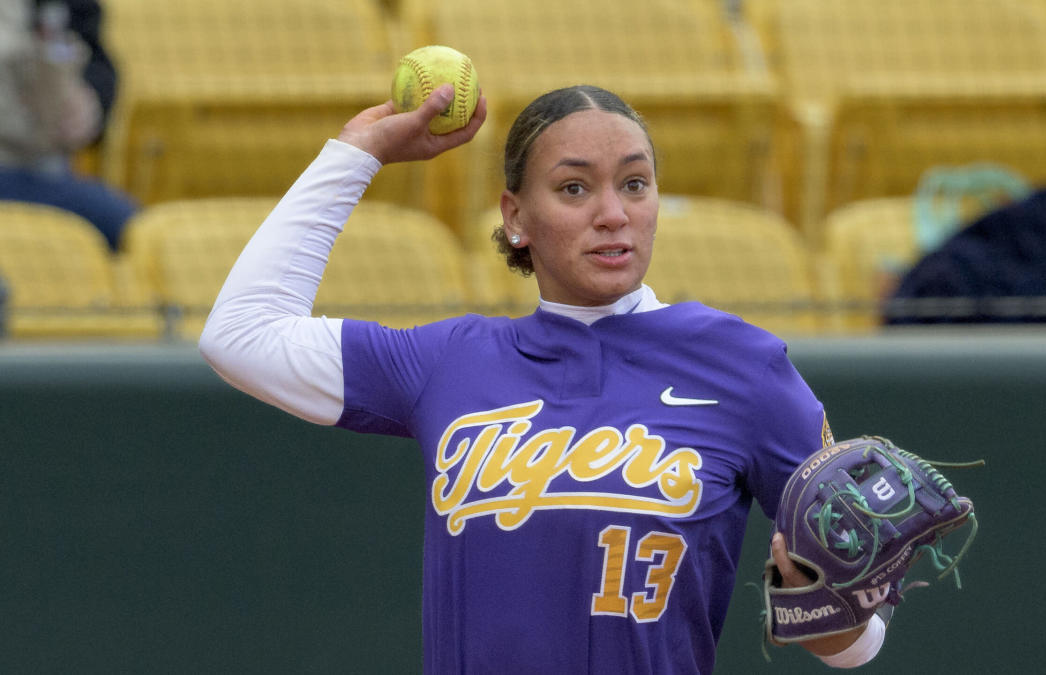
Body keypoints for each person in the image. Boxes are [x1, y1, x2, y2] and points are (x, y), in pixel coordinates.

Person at [199, 83, 886, 673]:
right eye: (574, 187)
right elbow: (240, 335)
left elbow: (856, 639)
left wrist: (830, 615)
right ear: (516, 217)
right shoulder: (450, 360)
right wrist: (356, 155)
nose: (613, 213)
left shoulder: (743, 366)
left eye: (635, 184)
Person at [0, 0, 136, 251]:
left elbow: (95, 58)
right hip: (16, 170)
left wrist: (90, 101)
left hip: (42, 171)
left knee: (134, 230)